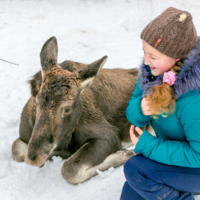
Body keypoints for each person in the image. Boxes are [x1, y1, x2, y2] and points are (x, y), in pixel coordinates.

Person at [120, 7, 200, 200]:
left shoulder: (193, 99)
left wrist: (150, 146)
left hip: (196, 166)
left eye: (153, 56)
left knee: (136, 170)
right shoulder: (151, 75)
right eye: (144, 52)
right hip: (175, 156)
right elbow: (132, 114)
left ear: (177, 57)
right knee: (131, 191)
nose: (146, 61)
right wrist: (140, 109)